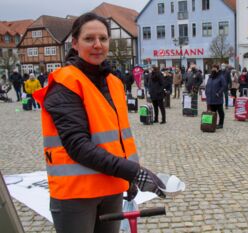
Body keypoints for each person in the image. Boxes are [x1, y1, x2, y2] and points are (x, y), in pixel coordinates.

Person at [33, 13, 165, 233]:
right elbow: (77, 145)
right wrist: (132, 171)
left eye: (103, 39)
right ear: (74, 43)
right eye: (89, 39)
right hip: (76, 194)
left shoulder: (113, 82)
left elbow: (119, 138)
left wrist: (127, 178)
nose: (97, 45)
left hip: (111, 187)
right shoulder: (66, 82)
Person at [205, 64, 226, 129]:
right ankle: (213, 123)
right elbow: (207, 85)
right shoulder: (210, 77)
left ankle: (220, 124)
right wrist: (206, 92)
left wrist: (219, 93)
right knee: (212, 113)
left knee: (220, 112)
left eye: (215, 68)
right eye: (212, 68)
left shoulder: (221, 77)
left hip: (217, 98)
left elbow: (224, 86)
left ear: (217, 69)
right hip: (210, 98)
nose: (213, 69)